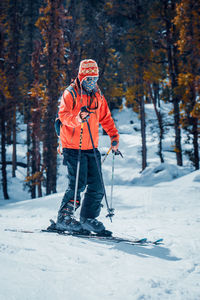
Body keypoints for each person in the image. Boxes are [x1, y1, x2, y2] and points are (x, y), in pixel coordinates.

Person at [56, 59, 119, 234]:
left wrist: (114, 137)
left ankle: (88, 218)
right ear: (82, 76)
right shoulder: (71, 93)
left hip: (91, 147)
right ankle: (64, 218)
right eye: (89, 78)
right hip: (73, 146)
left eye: (95, 78)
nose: (92, 82)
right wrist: (77, 119)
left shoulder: (98, 94)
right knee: (78, 184)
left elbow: (105, 117)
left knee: (97, 186)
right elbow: (63, 116)